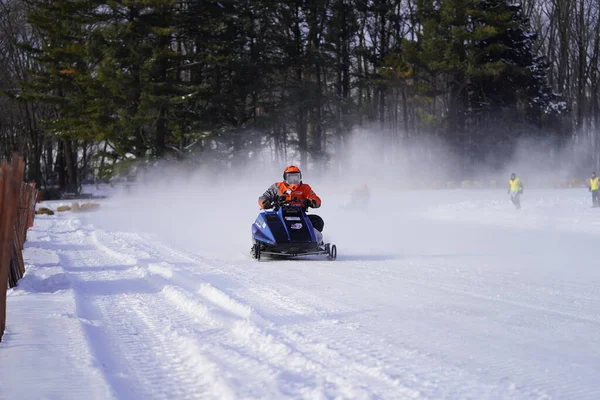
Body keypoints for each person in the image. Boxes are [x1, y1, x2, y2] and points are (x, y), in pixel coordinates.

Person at [258, 165, 324, 232]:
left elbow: (317, 200)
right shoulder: (277, 187)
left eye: (296, 178)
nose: (293, 181)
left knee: (318, 221)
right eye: (290, 178)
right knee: (265, 220)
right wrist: (265, 203)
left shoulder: (305, 188)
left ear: (300, 177)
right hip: (279, 215)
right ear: (285, 177)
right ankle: (272, 239)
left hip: (300, 215)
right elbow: (263, 197)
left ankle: (313, 239)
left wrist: (311, 202)